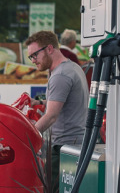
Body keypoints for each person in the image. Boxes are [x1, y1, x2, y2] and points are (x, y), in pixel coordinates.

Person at [26, 30, 88, 184]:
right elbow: (63, 101)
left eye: (35, 55)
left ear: (49, 49)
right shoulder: (72, 67)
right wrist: (39, 103)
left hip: (64, 146)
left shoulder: (60, 76)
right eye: (30, 57)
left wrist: (26, 137)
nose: (33, 61)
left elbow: (51, 116)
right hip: (75, 144)